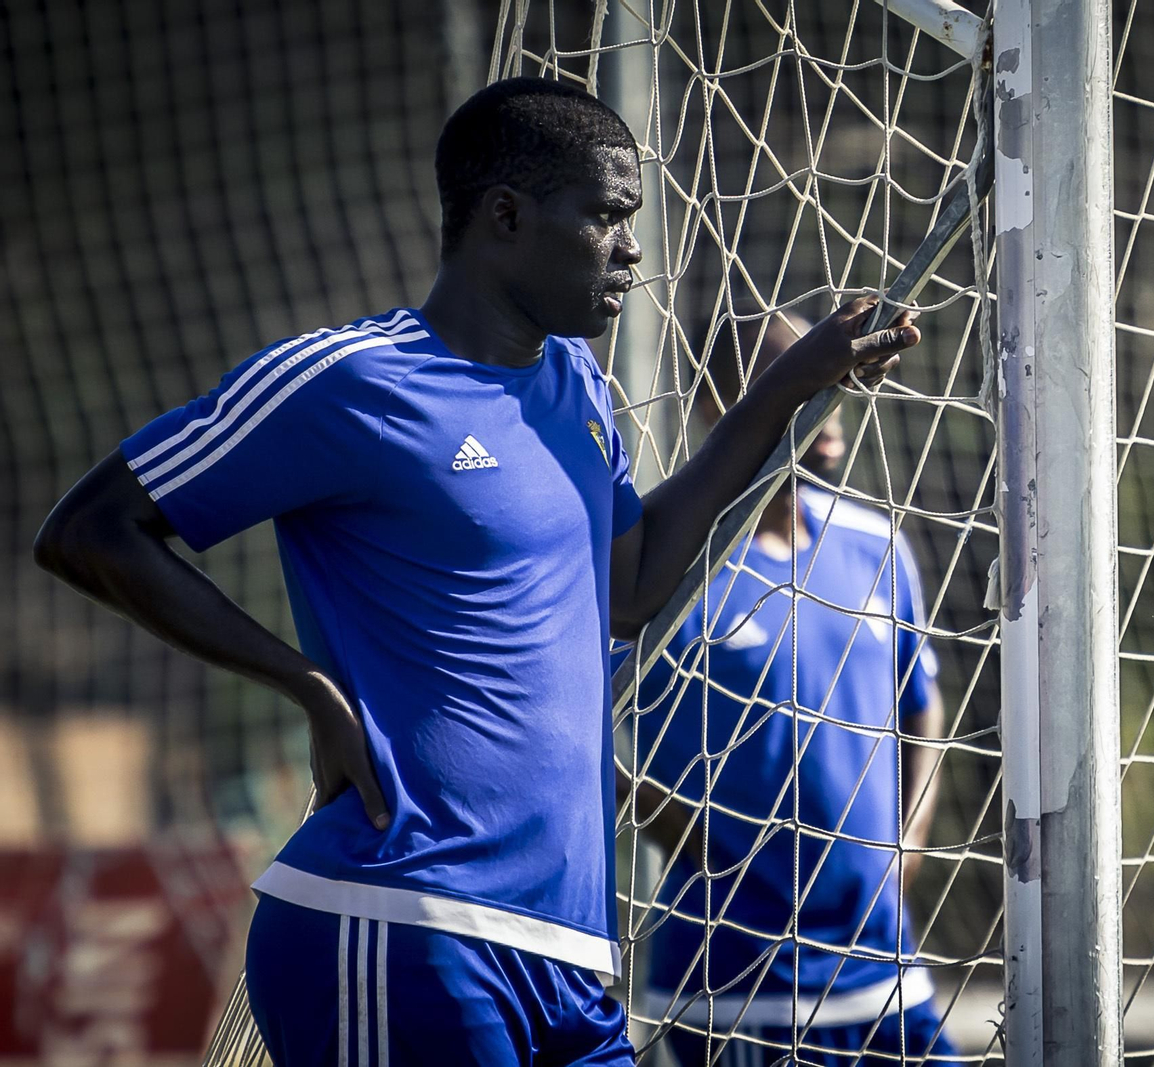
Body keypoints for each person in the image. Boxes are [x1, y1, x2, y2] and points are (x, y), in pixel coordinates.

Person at [32, 78, 919, 1067]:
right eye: (607, 217)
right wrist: (306, 685)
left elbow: (629, 591)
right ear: (506, 216)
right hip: (401, 920)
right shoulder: (356, 378)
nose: (632, 247)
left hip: (568, 958)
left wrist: (787, 390)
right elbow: (90, 529)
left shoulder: (575, 383)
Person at [626, 309, 954, 1066]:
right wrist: (702, 845)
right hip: (736, 988)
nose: (832, 384)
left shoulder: (879, 543)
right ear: (722, 403)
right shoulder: (665, 572)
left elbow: (921, 700)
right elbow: (574, 721)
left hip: (885, 973)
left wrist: (907, 842)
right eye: (800, 369)